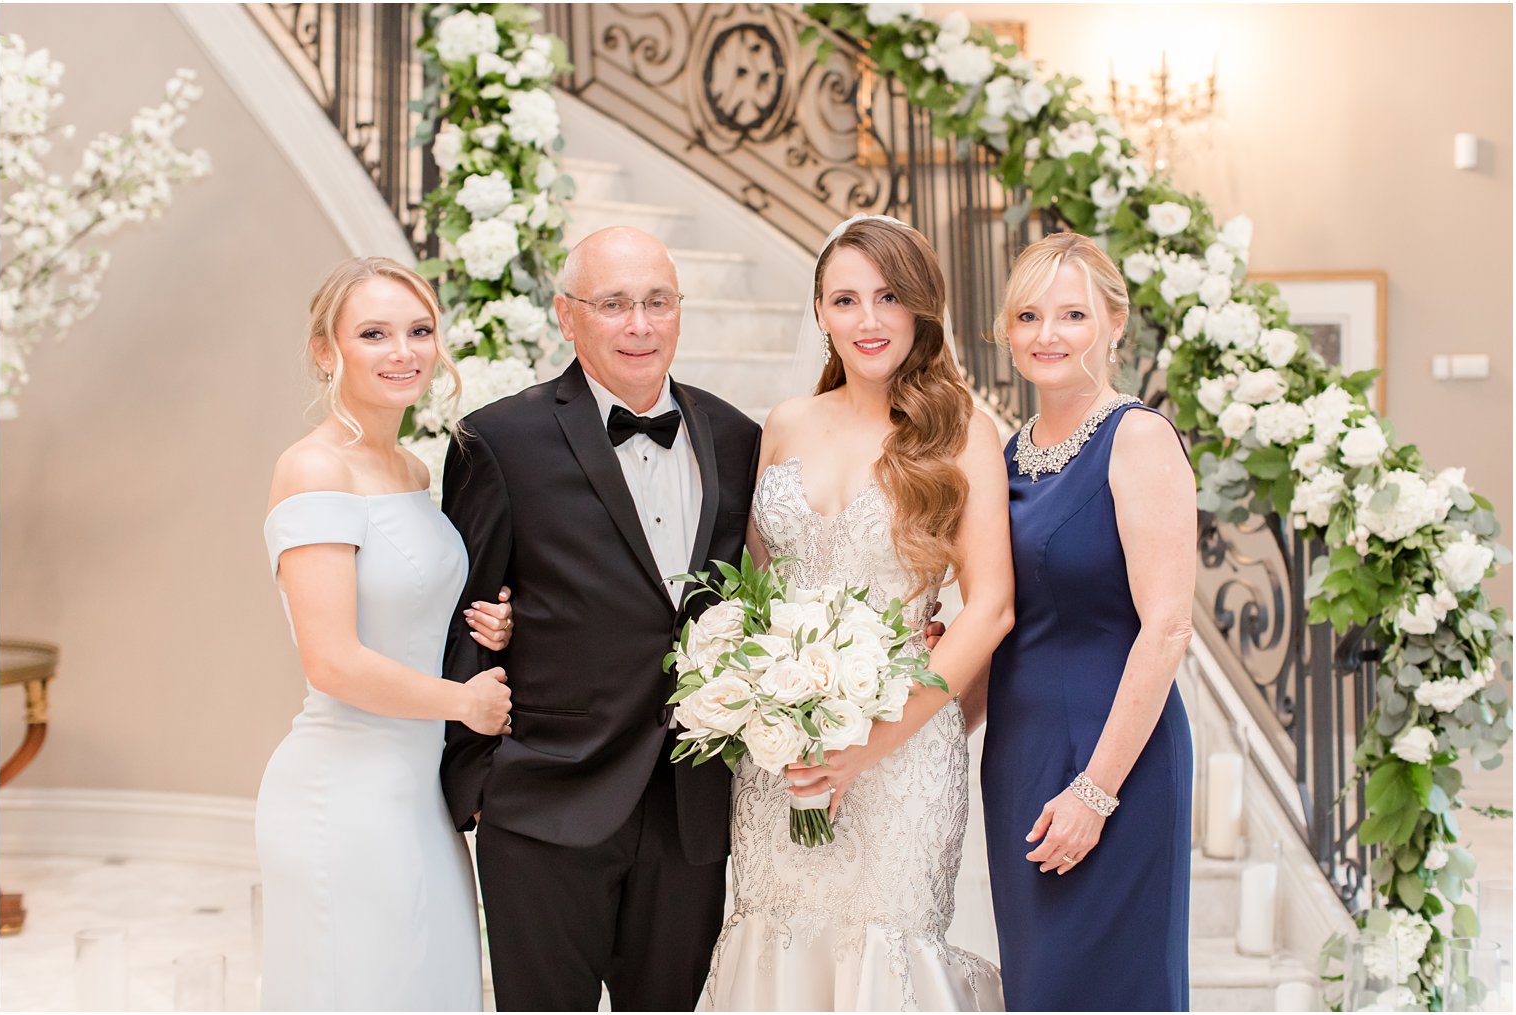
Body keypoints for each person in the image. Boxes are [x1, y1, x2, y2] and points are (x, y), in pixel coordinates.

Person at [438, 227, 763, 1011]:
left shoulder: (737, 437)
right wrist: (476, 777)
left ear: (679, 310)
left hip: (687, 810)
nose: (639, 325)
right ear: (566, 316)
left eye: (657, 301)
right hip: (549, 801)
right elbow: (461, 615)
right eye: (614, 304)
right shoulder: (498, 440)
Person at [699, 214, 1014, 1011]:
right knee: (773, 937)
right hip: (783, 759)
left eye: (888, 297)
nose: (868, 320)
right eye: (845, 299)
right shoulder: (786, 423)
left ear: (922, 309)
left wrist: (866, 748)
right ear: (820, 312)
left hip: (901, 755)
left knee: (884, 952)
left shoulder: (963, 431)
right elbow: (755, 595)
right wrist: (759, 699)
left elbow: (992, 609)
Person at [257, 256, 515, 1010]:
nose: (402, 350)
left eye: (418, 330)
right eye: (374, 333)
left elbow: (412, 608)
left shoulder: (409, 468)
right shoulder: (311, 469)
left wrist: (489, 626)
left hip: (418, 796)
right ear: (325, 350)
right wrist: (462, 702)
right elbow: (332, 660)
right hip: (343, 795)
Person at [982, 231, 1196, 1010]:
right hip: (1019, 758)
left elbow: (1169, 624)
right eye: (1030, 315)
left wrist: (1096, 792)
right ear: (1007, 332)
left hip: (1115, 763)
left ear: (1114, 323)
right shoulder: (1008, 455)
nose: (1048, 335)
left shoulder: (1136, 438)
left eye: (1072, 314)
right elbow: (1006, 618)